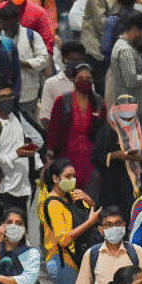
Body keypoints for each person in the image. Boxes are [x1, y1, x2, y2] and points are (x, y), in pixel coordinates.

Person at [40, 159, 100, 284]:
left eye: (73, 176)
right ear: (55, 179)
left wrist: (89, 201)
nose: (72, 180)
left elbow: (91, 215)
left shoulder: (72, 198)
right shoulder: (53, 203)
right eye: (67, 177)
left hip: (76, 261)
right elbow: (64, 238)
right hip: (63, 262)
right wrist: (90, 223)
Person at [46, 64, 105, 193]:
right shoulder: (62, 101)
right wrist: (50, 152)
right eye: (80, 78)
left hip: (91, 156)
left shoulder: (100, 103)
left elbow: (103, 129)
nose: (84, 81)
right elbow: (53, 128)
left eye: (88, 78)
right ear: (73, 79)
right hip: (67, 153)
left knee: (91, 190)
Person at [108, 13, 142, 149]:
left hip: (129, 107)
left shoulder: (124, 47)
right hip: (130, 108)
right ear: (136, 30)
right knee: (133, 149)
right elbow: (132, 81)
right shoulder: (125, 50)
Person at [93, 94, 142, 203]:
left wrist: (139, 157)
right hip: (112, 183)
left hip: (135, 183)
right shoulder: (107, 129)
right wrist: (114, 156)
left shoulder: (138, 130)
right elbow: (96, 157)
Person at [39, 41, 84, 125]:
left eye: (79, 61)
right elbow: (45, 117)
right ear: (64, 60)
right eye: (73, 60)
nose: (76, 64)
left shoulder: (87, 82)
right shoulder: (51, 83)